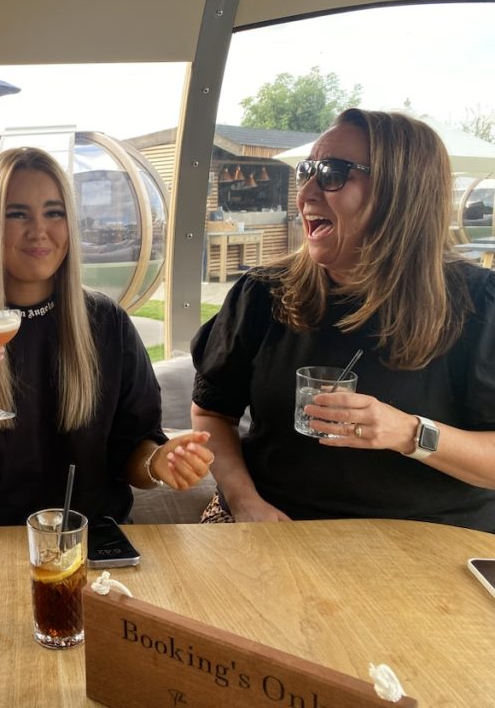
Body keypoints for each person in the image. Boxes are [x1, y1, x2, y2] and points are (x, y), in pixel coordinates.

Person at [191, 108, 495, 532]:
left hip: (430, 539)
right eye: (307, 171)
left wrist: (409, 433)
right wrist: (245, 503)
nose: (305, 193)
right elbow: (212, 414)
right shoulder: (263, 293)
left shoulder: (479, 304)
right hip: (275, 526)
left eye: (332, 173)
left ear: (400, 192)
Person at [0, 146, 212, 526]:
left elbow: (133, 450)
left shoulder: (108, 324)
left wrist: (159, 462)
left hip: (92, 540)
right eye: (17, 214)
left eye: (54, 213)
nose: (39, 231)